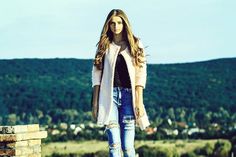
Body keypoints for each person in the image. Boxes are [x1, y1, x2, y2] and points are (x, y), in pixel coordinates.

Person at [91, 9, 150, 157]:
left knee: (128, 147)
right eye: (112, 23)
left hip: (129, 98)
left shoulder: (135, 44)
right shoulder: (104, 45)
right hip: (109, 98)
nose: (115, 26)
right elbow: (96, 75)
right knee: (114, 146)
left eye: (119, 23)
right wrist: (95, 103)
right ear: (108, 25)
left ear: (124, 24)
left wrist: (139, 102)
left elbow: (140, 75)